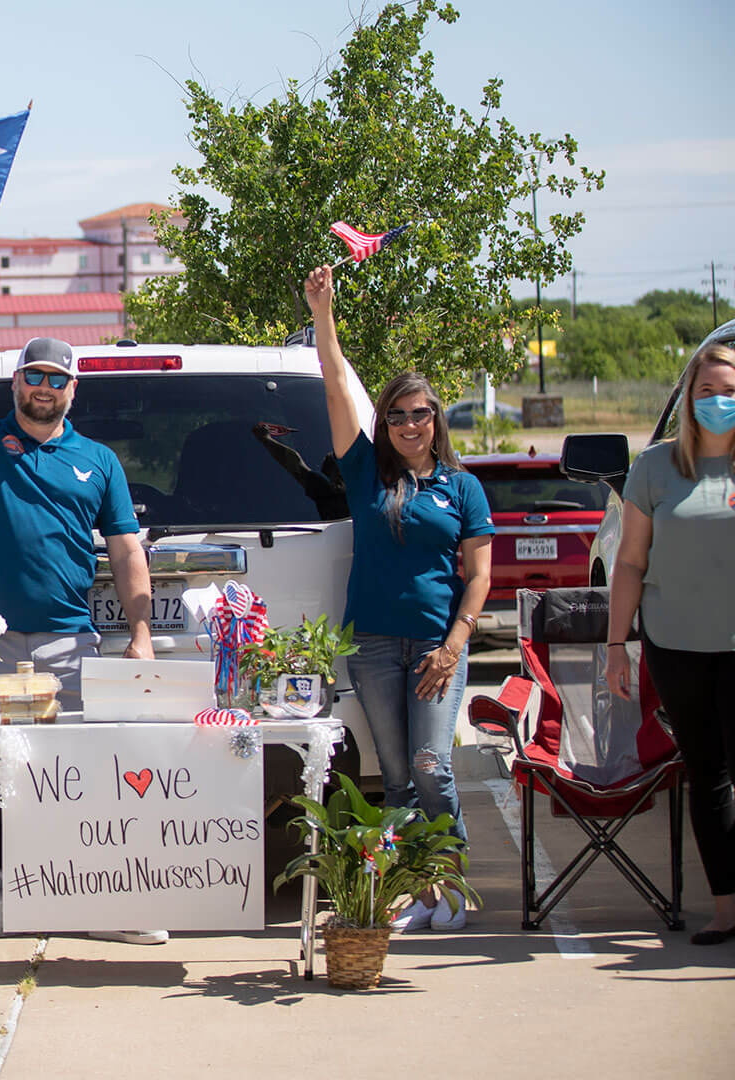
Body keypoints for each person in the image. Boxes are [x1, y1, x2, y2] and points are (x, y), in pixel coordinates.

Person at [0, 274, 162, 951]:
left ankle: (106, 905)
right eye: (33, 375)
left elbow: (127, 552)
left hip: (66, 646)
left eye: (56, 377)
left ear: (72, 389)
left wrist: (139, 633)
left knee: (76, 779)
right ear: (16, 383)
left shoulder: (99, 462)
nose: (43, 386)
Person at [304, 264, 492, 932]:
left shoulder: (463, 490)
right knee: (399, 777)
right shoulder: (363, 473)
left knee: (433, 766)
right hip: (377, 646)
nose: (410, 424)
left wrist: (453, 646)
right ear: (383, 423)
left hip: (438, 647)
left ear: (436, 420)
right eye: (397, 415)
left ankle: (453, 889)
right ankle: (416, 893)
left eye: (421, 414)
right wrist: (323, 314)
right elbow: (333, 385)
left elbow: (479, 576)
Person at [604, 342, 735, 946]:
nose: (717, 401)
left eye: (728, 389)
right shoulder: (655, 468)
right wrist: (616, 645)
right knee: (707, 776)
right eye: (705, 391)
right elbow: (629, 562)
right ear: (687, 399)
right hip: (677, 647)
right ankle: (726, 908)